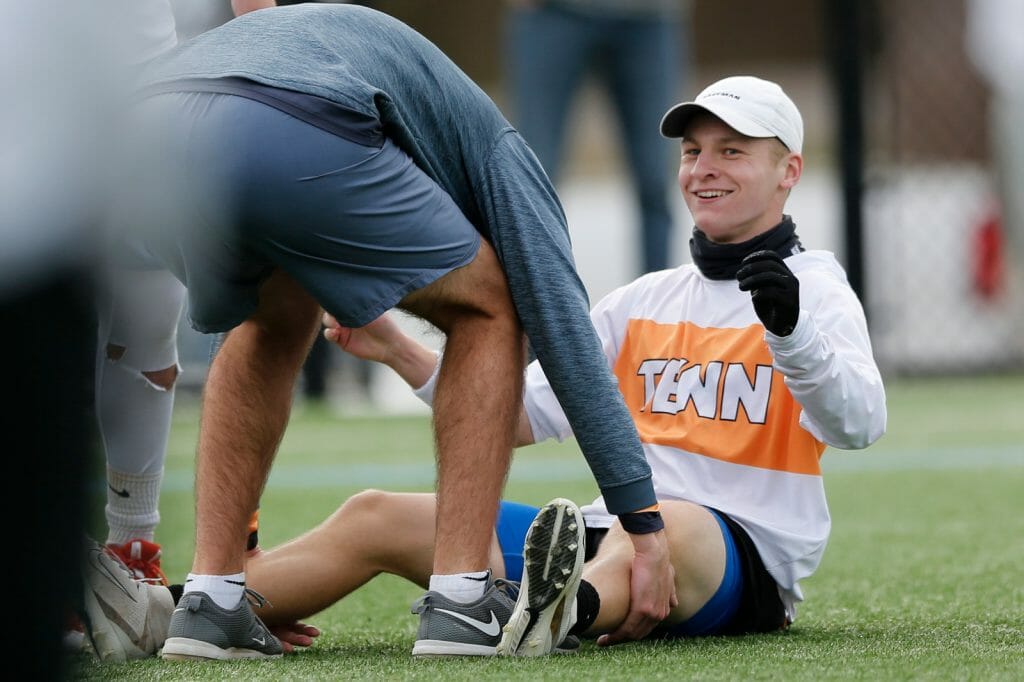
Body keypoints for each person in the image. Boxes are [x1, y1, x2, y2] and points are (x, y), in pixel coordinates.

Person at [89, 74, 886, 661]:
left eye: (732, 151)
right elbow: (511, 417)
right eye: (692, 150)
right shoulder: (643, 299)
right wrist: (402, 351)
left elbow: (859, 424)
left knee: (669, 523)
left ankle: (545, 615)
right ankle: (175, 613)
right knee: (377, 513)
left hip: (736, 564)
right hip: (615, 537)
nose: (704, 167)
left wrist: (786, 333)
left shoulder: (816, 287)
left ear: (789, 172)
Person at [113, 2, 673, 660]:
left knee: (273, 312)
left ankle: (213, 600)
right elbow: (565, 336)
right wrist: (643, 523)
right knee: (490, 302)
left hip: (140, 139)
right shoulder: (505, 157)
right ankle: (465, 600)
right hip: (282, 119)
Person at [96, 0, 278, 586]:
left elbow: (257, 22)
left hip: (152, 86)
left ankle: (132, 545)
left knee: (151, 326)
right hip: (39, 84)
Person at [503, 0, 690, 273]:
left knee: (656, 176)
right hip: (554, 14)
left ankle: (657, 306)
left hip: (650, 16)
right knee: (533, 173)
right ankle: (532, 301)